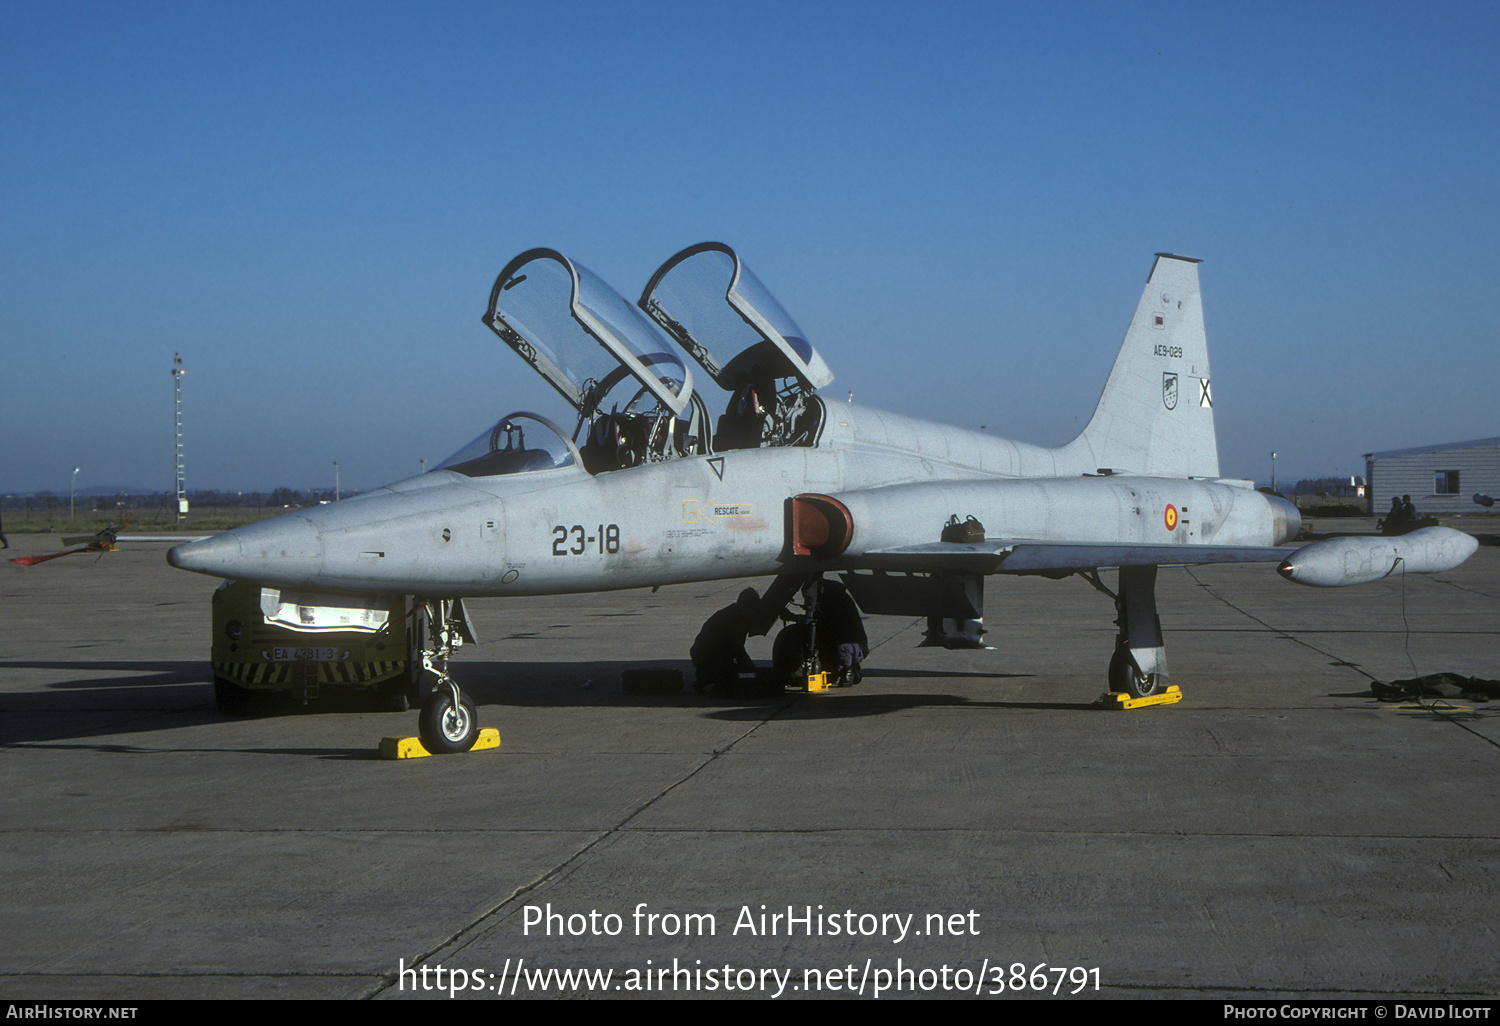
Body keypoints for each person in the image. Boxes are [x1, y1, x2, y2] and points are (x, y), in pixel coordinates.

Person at [690, 588, 760, 692]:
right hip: (708, 657)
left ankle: (706, 676)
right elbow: (738, 651)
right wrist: (753, 672)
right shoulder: (733, 620)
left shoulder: (733, 613)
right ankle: (711, 677)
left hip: (703, 654)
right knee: (734, 678)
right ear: (744, 606)